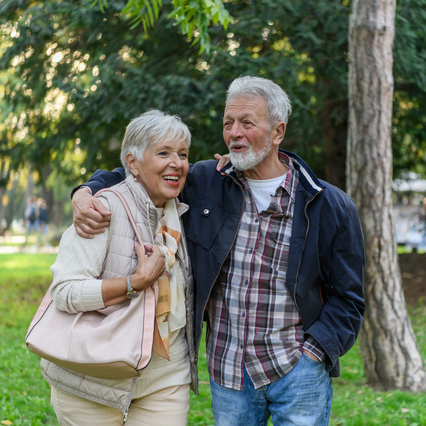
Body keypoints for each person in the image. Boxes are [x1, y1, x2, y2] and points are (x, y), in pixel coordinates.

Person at [72, 76, 365, 425]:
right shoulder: (207, 182)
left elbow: (349, 297)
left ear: (277, 132)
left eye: (247, 123)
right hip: (229, 373)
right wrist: (85, 191)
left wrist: (314, 353)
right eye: (228, 123)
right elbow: (136, 172)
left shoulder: (328, 204)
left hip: (297, 371)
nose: (234, 133)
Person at [45, 110, 198, 425]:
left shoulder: (187, 210)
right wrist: (134, 282)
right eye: (164, 153)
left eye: (182, 154)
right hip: (92, 379)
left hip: (166, 376)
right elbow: (64, 292)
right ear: (132, 162)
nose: (177, 163)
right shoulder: (101, 210)